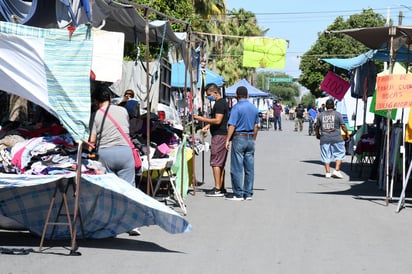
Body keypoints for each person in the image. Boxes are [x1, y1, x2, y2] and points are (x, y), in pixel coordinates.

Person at [88, 83, 140, 236]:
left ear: (96, 101)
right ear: (110, 98)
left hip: (106, 154)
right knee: (128, 189)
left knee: (109, 189)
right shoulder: (123, 111)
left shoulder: (96, 115)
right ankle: (132, 225)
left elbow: (92, 141)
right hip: (125, 152)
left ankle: (110, 225)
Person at [193, 83, 229, 197]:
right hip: (221, 134)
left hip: (219, 136)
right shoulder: (222, 103)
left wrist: (201, 118)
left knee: (216, 161)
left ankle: (217, 188)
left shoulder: (219, 104)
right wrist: (208, 126)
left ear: (215, 93)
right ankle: (221, 187)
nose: (209, 97)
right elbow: (219, 120)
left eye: (209, 95)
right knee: (220, 162)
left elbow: (218, 120)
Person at [225, 86, 259, 201]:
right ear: (247, 95)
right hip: (250, 137)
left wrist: (227, 139)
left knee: (237, 167)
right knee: (249, 168)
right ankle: (248, 193)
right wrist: (253, 139)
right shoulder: (254, 108)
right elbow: (256, 126)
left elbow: (232, 125)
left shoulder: (236, 108)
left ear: (236, 95)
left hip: (239, 137)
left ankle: (238, 193)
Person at [315, 98, 349, 179]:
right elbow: (343, 126)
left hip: (324, 138)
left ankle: (327, 173)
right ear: (334, 106)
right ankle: (336, 170)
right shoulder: (338, 114)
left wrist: (317, 134)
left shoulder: (320, 115)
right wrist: (347, 134)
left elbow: (317, 127)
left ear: (326, 106)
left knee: (325, 155)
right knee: (340, 153)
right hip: (337, 138)